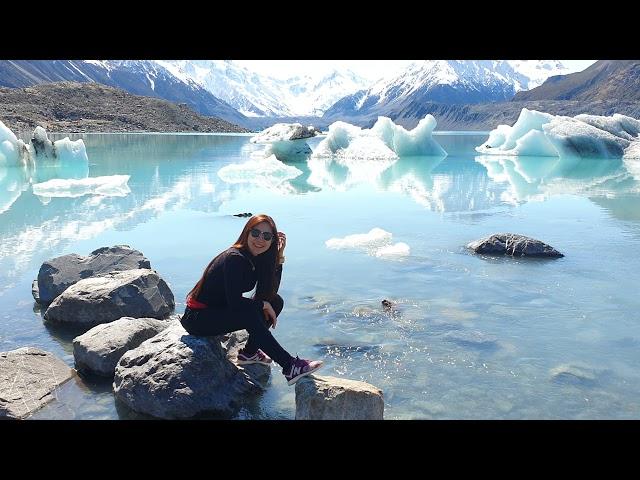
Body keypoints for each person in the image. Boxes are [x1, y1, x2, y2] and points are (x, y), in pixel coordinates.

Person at [180, 214, 323, 385]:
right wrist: (262, 304)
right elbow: (235, 303)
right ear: (246, 233)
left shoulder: (257, 258)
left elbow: (268, 294)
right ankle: (289, 366)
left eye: (267, 236)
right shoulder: (235, 258)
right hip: (198, 318)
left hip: (217, 311)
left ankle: (249, 353)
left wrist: (278, 257)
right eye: (255, 233)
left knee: (276, 302)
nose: (260, 239)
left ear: (272, 240)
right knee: (252, 313)